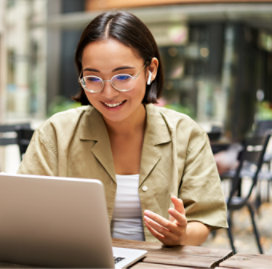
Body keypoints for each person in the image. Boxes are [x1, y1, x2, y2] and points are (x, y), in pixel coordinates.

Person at [18, 11, 227, 246]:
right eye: (94, 78)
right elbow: (25, 211)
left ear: (151, 70)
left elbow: (203, 219)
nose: (108, 93)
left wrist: (182, 235)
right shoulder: (56, 133)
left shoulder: (186, 134)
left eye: (123, 76)